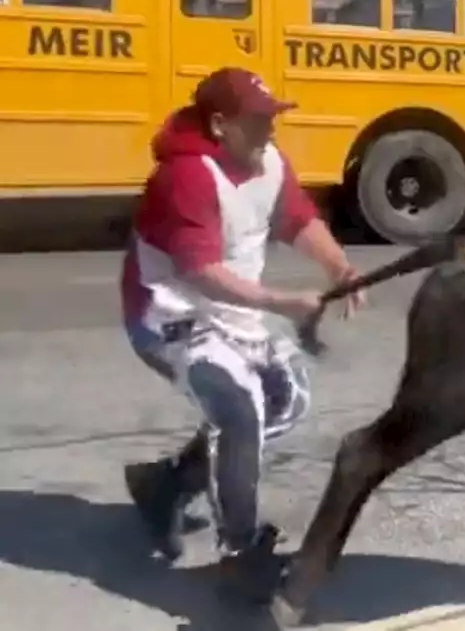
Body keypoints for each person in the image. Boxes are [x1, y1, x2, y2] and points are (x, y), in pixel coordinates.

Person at [120, 67, 366, 596]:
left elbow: (297, 219)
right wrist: (281, 302)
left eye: (273, 119)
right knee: (239, 410)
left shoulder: (267, 161)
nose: (270, 132)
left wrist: (339, 269)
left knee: (286, 398)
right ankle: (241, 551)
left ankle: (165, 483)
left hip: (233, 312)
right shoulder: (185, 176)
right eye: (258, 122)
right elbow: (198, 271)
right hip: (170, 317)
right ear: (219, 125)